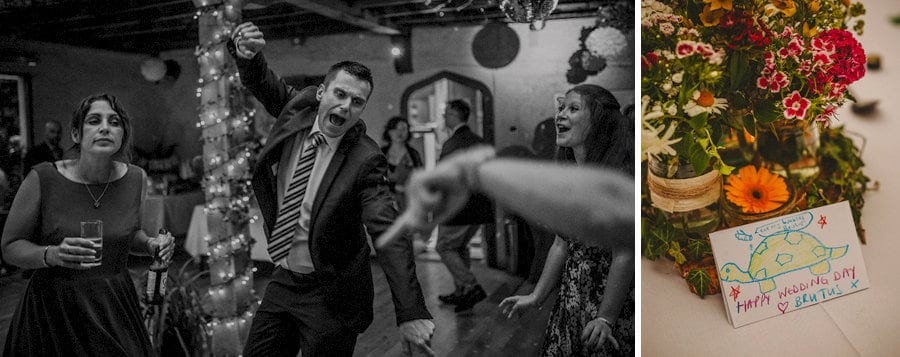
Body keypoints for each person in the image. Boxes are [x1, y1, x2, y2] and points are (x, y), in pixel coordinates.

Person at [380, 85, 635, 355]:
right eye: (561, 107)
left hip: (608, 299)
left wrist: (606, 316)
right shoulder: (569, 171)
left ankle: (467, 286)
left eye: (573, 109)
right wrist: (537, 296)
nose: (560, 115)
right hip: (572, 298)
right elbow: (561, 243)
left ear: (600, 121)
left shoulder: (619, 176)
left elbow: (624, 252)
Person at [229, 22, 434, 356]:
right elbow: (264, 84)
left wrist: (410, 312)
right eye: (340, 94)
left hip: (331, 291)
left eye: (357, 101)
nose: (345, 107)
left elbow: (388, 233)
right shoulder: (296, 111)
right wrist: (247, 56)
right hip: (284, 279)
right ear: (322, 93)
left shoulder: (365, 158)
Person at [1, 93, 175, 356]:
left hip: (113, 303)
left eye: (114, 122)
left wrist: (150, 244)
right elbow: (10, 246)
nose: (105, 127)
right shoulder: (44, 177)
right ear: (75, 134)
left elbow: (128, 235)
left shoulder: (136, 179)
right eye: (94, 120)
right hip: (54, 306)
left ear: (122, 136)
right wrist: (52, 254)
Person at [434, 99, 490, 312]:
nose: (444, 117)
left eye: (446, 113)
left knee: (444, 246)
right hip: (480, 206)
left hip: (459, 208)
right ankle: (462, 293)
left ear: (455, 115)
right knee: (459, 247)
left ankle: (471, 286)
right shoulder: (478, 140)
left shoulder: (452, 144)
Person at [381, 116, 423, 211]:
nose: (399, 132)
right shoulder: (381, 154)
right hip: (386, 204)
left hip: (409, 204)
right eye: (395, 129)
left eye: (403, 129)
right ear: (389, 131)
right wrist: (394, 187)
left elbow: (420, 178)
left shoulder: (413, 154)